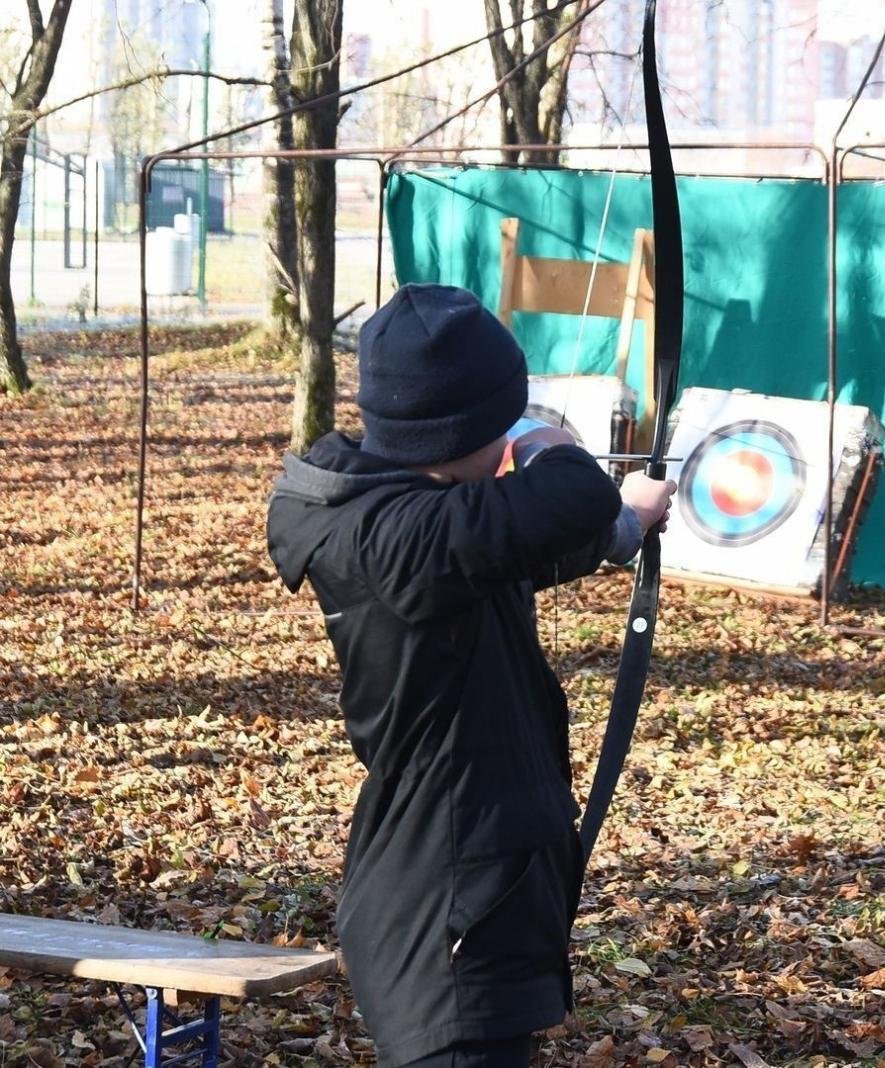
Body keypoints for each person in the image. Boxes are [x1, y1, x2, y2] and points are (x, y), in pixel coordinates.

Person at [267, 284, 677, 1067]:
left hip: (463, 906)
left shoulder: (406, 517)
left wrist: (627, 526)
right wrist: (538, 430)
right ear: (466, 429)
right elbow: (564, 497)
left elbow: (514, 551)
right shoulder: (397, 536)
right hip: (448, 922)